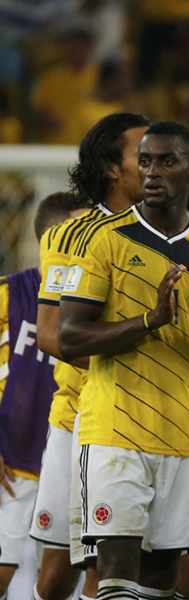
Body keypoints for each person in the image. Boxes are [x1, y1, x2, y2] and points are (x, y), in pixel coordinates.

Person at [57, 121, 189, 600]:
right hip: (114, 432)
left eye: (166, 162)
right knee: (116, 570)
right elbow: (70, 338)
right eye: (146, 161)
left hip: (178, 435)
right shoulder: (104, 240)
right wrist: (149, 321)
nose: (152, 172)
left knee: (160, 580)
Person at [33, 111, 150, 600]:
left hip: (157, 417)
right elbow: (50, 334)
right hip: (83, 415)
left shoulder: (174, 232)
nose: (154, 165)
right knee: (66, 572)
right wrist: (138, 370)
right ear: (111, 168)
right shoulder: (70, 236)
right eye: (142, 155)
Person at [0, 193, 87, 599]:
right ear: (54, 238)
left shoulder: (98, 298)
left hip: (77, 452)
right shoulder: (8, 294)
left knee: (70, 576)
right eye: (81, 230)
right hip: (12, 463)